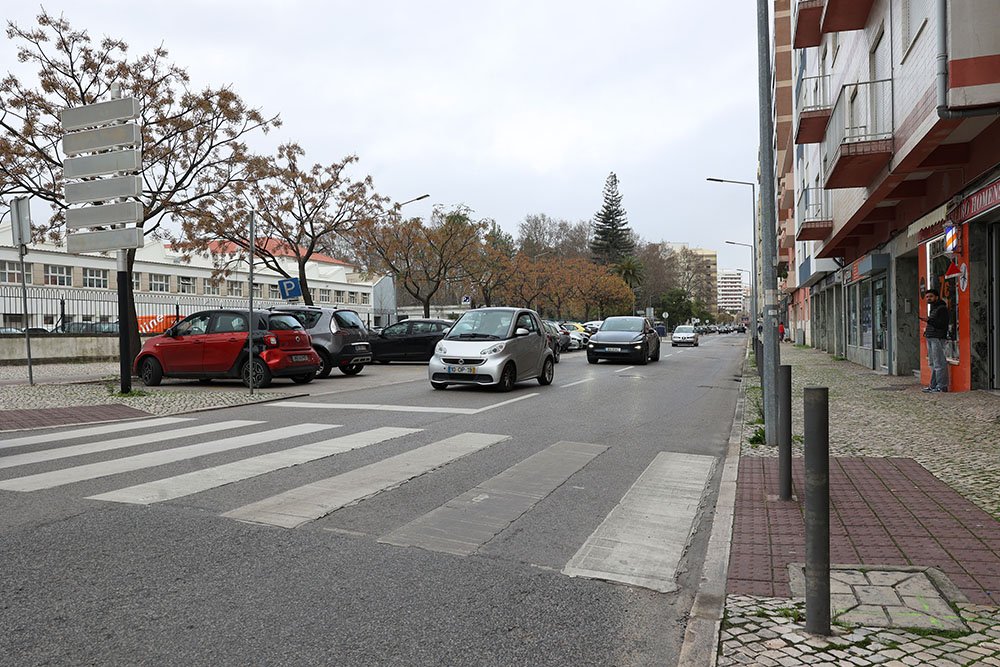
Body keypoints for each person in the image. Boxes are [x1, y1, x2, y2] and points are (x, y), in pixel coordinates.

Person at [921, 288, 949, 393]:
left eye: (931, 296)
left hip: (937, 337)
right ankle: (933, 385)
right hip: (931, 336)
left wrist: (929, 320)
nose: (928, 298)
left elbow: (942, 324)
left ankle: (941, 386)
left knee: (939, 363)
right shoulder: (933, 308)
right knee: (932, 363)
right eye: (927, 297)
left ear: (936, 297)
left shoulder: (942, 308)